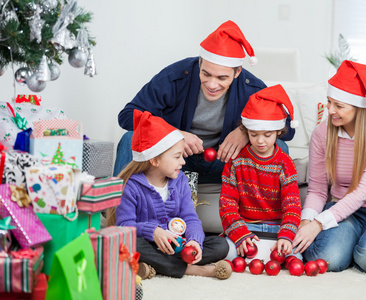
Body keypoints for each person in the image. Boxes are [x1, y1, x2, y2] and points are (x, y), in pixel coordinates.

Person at [114, 20, 295, 183]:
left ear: (237, 72)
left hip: (225, 164)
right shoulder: (176, 76)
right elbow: (127, 116)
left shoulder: (251, 88)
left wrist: (246, 131)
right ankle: (118, 211)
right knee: (130, 139)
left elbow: (287, 130)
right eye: (206, 74)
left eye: (222, 78)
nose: (212, 84)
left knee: (279, 147)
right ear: (200, 62)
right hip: (173, 160)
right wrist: (173, 134)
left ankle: (267, 218)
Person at [292, 60, 366, 274]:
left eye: (339, 106)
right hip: (345, 213)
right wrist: (306, 222)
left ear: (358, 107)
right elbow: (318, 189)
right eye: (329, 102)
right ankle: (350, 241)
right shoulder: (322, 134)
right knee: (328, 259)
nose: (330, 111)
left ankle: (363, 242)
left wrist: (319, 225)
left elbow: (363, 191)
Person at [107, 109, 232, 280]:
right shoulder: (131, 186)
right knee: (128, 243)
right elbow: (124, 226)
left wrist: (194, 240)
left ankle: (154, 266)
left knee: (220, 245)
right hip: (148, 244)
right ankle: (191, 270)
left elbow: (190, 217)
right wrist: (154, 232)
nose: (182, 162)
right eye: (177, 157)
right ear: (155, 160)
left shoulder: (179, 180)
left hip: (177, 246)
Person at [219, 85, 302, 261]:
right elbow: (227, 203)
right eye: (254, 134)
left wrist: (286, 235)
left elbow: (292, 205)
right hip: (246, 228)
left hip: (277, 229)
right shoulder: (236, 161)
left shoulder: (284, 163)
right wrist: (239, 232)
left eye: (268, 134)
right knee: (226, 253)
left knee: (297, 257)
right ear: (246, 131)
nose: (260, 141)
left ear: (279, 131)